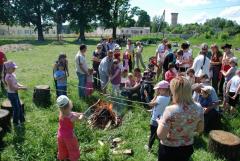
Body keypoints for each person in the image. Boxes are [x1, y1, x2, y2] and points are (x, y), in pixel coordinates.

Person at [156, 77, 204, 161]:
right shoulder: (199, 107)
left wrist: (160, 122)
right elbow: (200, 129)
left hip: (169, 149)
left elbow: (161, 135)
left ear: (174, 91)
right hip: (187, 148)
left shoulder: (170, 110)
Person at [56, 95, 84, 161]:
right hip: (69, 137)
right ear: (69, 105)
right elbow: (80, 119)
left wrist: (80, 113)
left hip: (60, 136)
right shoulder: (72, 117)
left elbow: (73, 113)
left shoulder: (61, 113)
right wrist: (82, 116)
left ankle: (62, 157)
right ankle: (73, 158)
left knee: (62, 148)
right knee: (73, 149)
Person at [145, 80, 170, 152]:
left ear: (164, 89)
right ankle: (161, 145)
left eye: (159, 89)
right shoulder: (168, 97)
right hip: (162, 118)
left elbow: (150, 104)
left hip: (155, 119)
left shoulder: (160, 98)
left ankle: (149, 147)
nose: (158, 90)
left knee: (152, 134)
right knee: (159, 132)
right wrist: (152, 110)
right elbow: (158, 106)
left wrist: (146, 96)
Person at [4, 61, 27, 126]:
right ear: (8, 69)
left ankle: (22, 120)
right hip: (12, 94)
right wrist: (22, 88)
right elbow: (12, 88)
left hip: (15, 93)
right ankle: (15, 122)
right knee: (16, 109)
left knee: (19, 106)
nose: (14, 69)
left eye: (14, 68)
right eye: (13, 68)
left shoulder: (13, 74)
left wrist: (21, 85)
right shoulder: (8, 77)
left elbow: (16, 83)